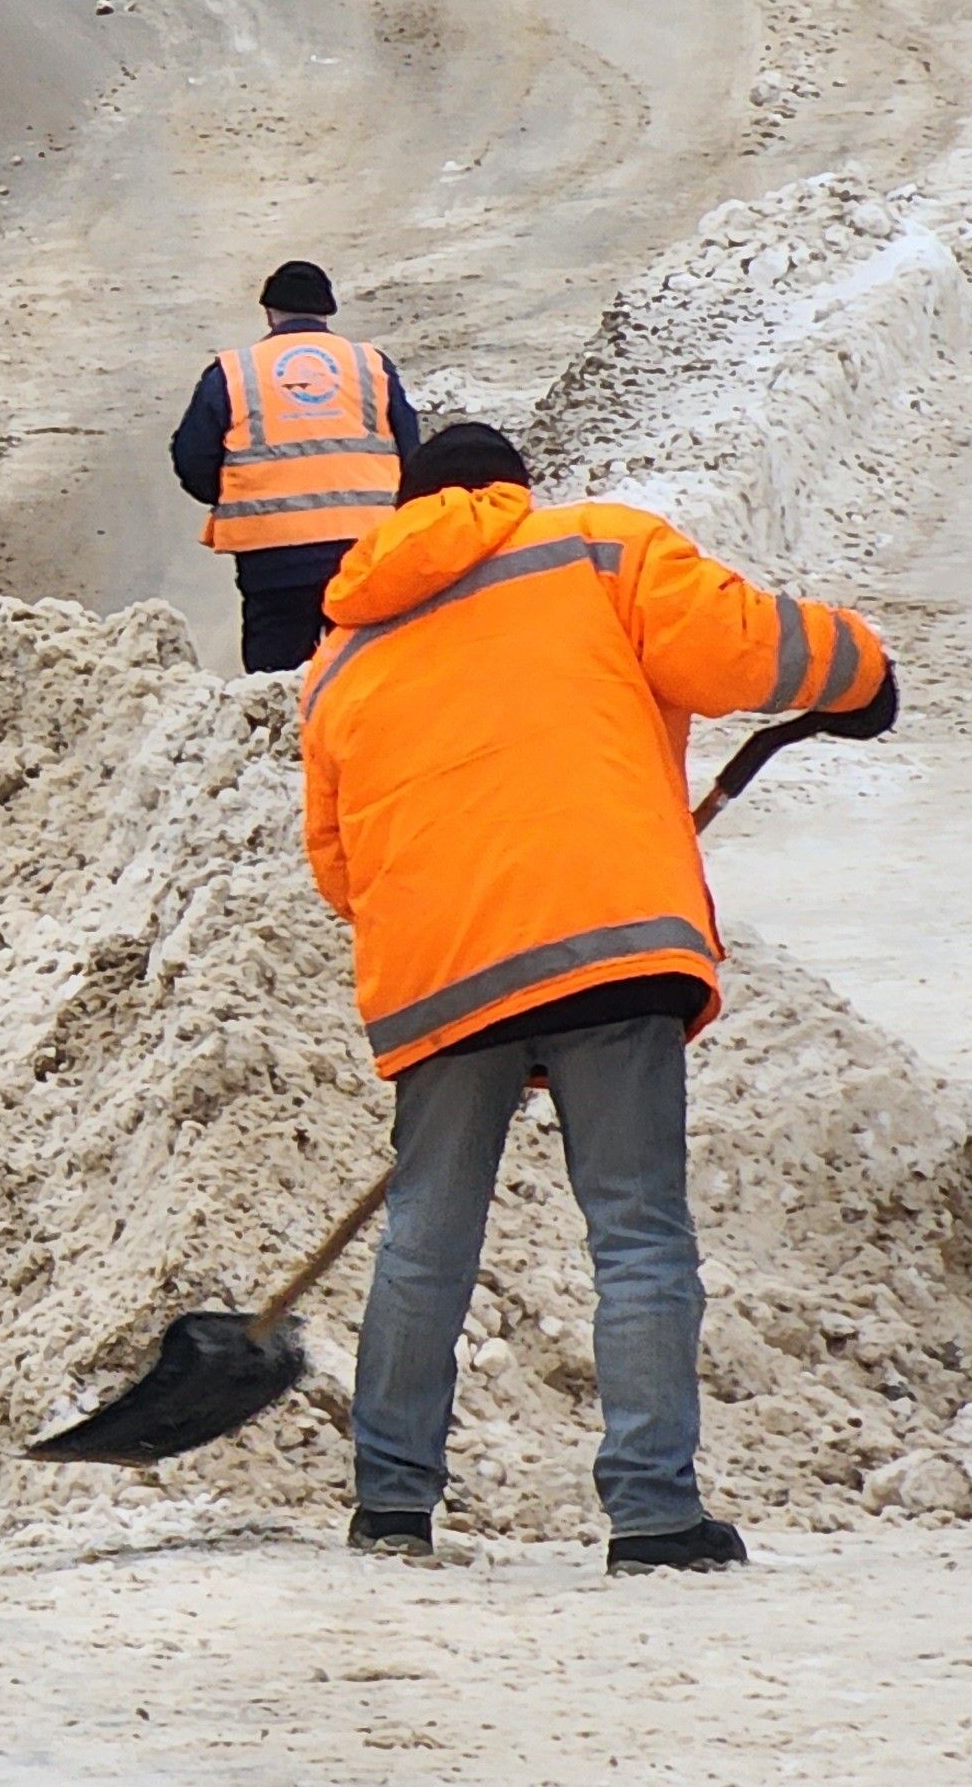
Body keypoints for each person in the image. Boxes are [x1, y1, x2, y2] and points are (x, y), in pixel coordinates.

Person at [297, 421, 896, 1575]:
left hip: (438, 974)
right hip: (604, 938)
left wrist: (455, 914)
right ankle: (652, 1513)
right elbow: (738, 651)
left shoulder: (341, 658)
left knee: (424, 1236)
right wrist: (859, 668)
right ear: (513, 493)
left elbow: (336, 866)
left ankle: (389, 1507)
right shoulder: (594, 551)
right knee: (634, 1229)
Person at [171, 259, 422, 673]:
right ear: (326, 314)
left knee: (276, 686)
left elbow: (192, 460)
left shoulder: (235, 372)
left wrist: (244, 494)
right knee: (367, 672)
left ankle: (283, 736)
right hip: (364, 552)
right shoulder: (370, 365)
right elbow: (412, 452)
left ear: (269, 313)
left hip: (273, 561)